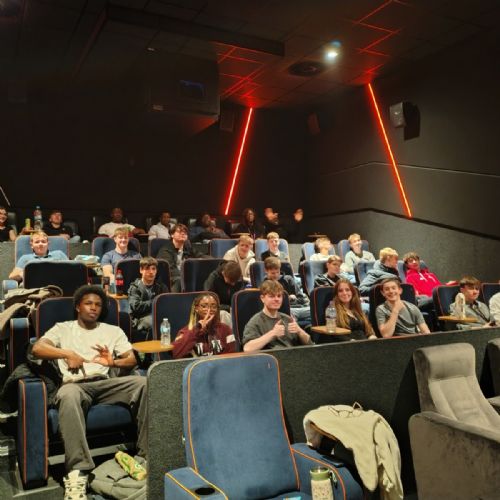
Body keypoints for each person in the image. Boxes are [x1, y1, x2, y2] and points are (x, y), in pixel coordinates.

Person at [31, 285, 147, 499]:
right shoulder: (63, 328)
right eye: (88, 303)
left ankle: (146, 456)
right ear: (78, 307)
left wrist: (113, 361)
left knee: (144, 383)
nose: (94, 308)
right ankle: (77, 472)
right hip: (76, 385)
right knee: (67, 395)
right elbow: (37, 348)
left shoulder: (112, 331)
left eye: (98, 305)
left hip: (106, 383)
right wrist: (67, 353)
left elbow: (132, 359)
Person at [242, 280, 312, 352]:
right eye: (271, 296)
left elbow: (310, 344)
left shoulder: (288, 319)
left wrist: (299, 331)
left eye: (279, 296)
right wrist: (273, 333)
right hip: (271, 357)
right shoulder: (256, 321)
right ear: (262, 298)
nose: (276, 299)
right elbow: (247, 348)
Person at [172, 293, 236, 358]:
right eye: (204, 306)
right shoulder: (186, 331)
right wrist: (197, 328)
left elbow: (232, 355)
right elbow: (176, 354)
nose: (209, 310)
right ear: (196, 309)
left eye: (214, 307)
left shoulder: (226, 329)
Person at [128, 257, 169, 338]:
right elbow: (136, 307)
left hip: (159, 315)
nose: (151, 272)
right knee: (154, 322)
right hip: (140, 318)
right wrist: (155, 302)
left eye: (153, 269)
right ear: (141, 270)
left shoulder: (161, 287)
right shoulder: (135, 287)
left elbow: (167, 304)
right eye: (147, 269)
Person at [264, 257, 310, 326]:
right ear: (266, 271)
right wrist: (287, 299)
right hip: (285, 311)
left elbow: (301, 298)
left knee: (315, 311)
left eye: (278, 272)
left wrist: (293, 299)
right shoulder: (265, 284)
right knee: (288, 317)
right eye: (273, 273)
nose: (276, 275)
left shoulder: (288, 279)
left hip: (299, 308)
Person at [156, 223, 203, 292]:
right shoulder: (165, 250)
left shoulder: (187, 248)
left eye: (185, 232)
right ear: (172, 235)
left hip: (183, 275)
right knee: (179, 280)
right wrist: (185, 277)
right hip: (169, 278)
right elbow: (170, 269)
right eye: (179, 232)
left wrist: (213, 260)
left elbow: (200, 255)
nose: (183, 234)